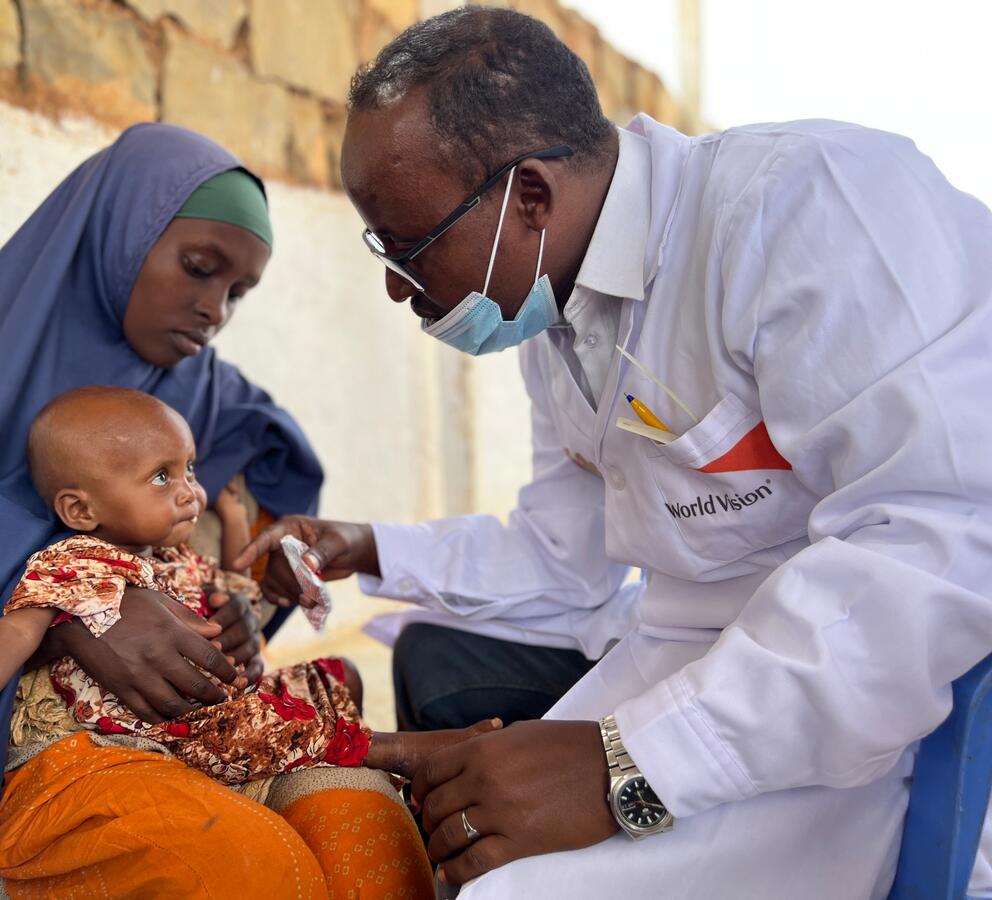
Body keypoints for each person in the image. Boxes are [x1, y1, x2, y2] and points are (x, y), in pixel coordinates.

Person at [237, 7, 992, 898]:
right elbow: (564, 561)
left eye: (412, 246)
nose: (398, 286)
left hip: (863, 721)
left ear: (531, 198)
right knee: (446, 858)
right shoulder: (554, 321)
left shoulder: (803, 207)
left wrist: (628, 766)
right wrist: (370, 545)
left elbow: (938, 549)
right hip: (691, 675)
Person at [0, 125, 430, 899]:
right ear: (120, 240)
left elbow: (260, 491)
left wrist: (233, 603)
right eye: (197, 269)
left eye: (238, 292)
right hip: (21, 752)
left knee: (370, 846)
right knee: (250, 867)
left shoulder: (199, 397)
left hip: (196, 732)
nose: (214, 309)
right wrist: (77, 613)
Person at [0, 385, 498, 808]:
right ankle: (400, 753)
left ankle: (363, 752)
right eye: (161, 477)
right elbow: (14, 632)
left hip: (215, 703)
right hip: (157, 723)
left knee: (336, 673)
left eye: (190, 468)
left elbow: (234, 586)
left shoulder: (172, 558)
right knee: (265, 719)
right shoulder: (77, 563)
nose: (189, 490)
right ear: (80, 510)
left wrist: (231, 514)